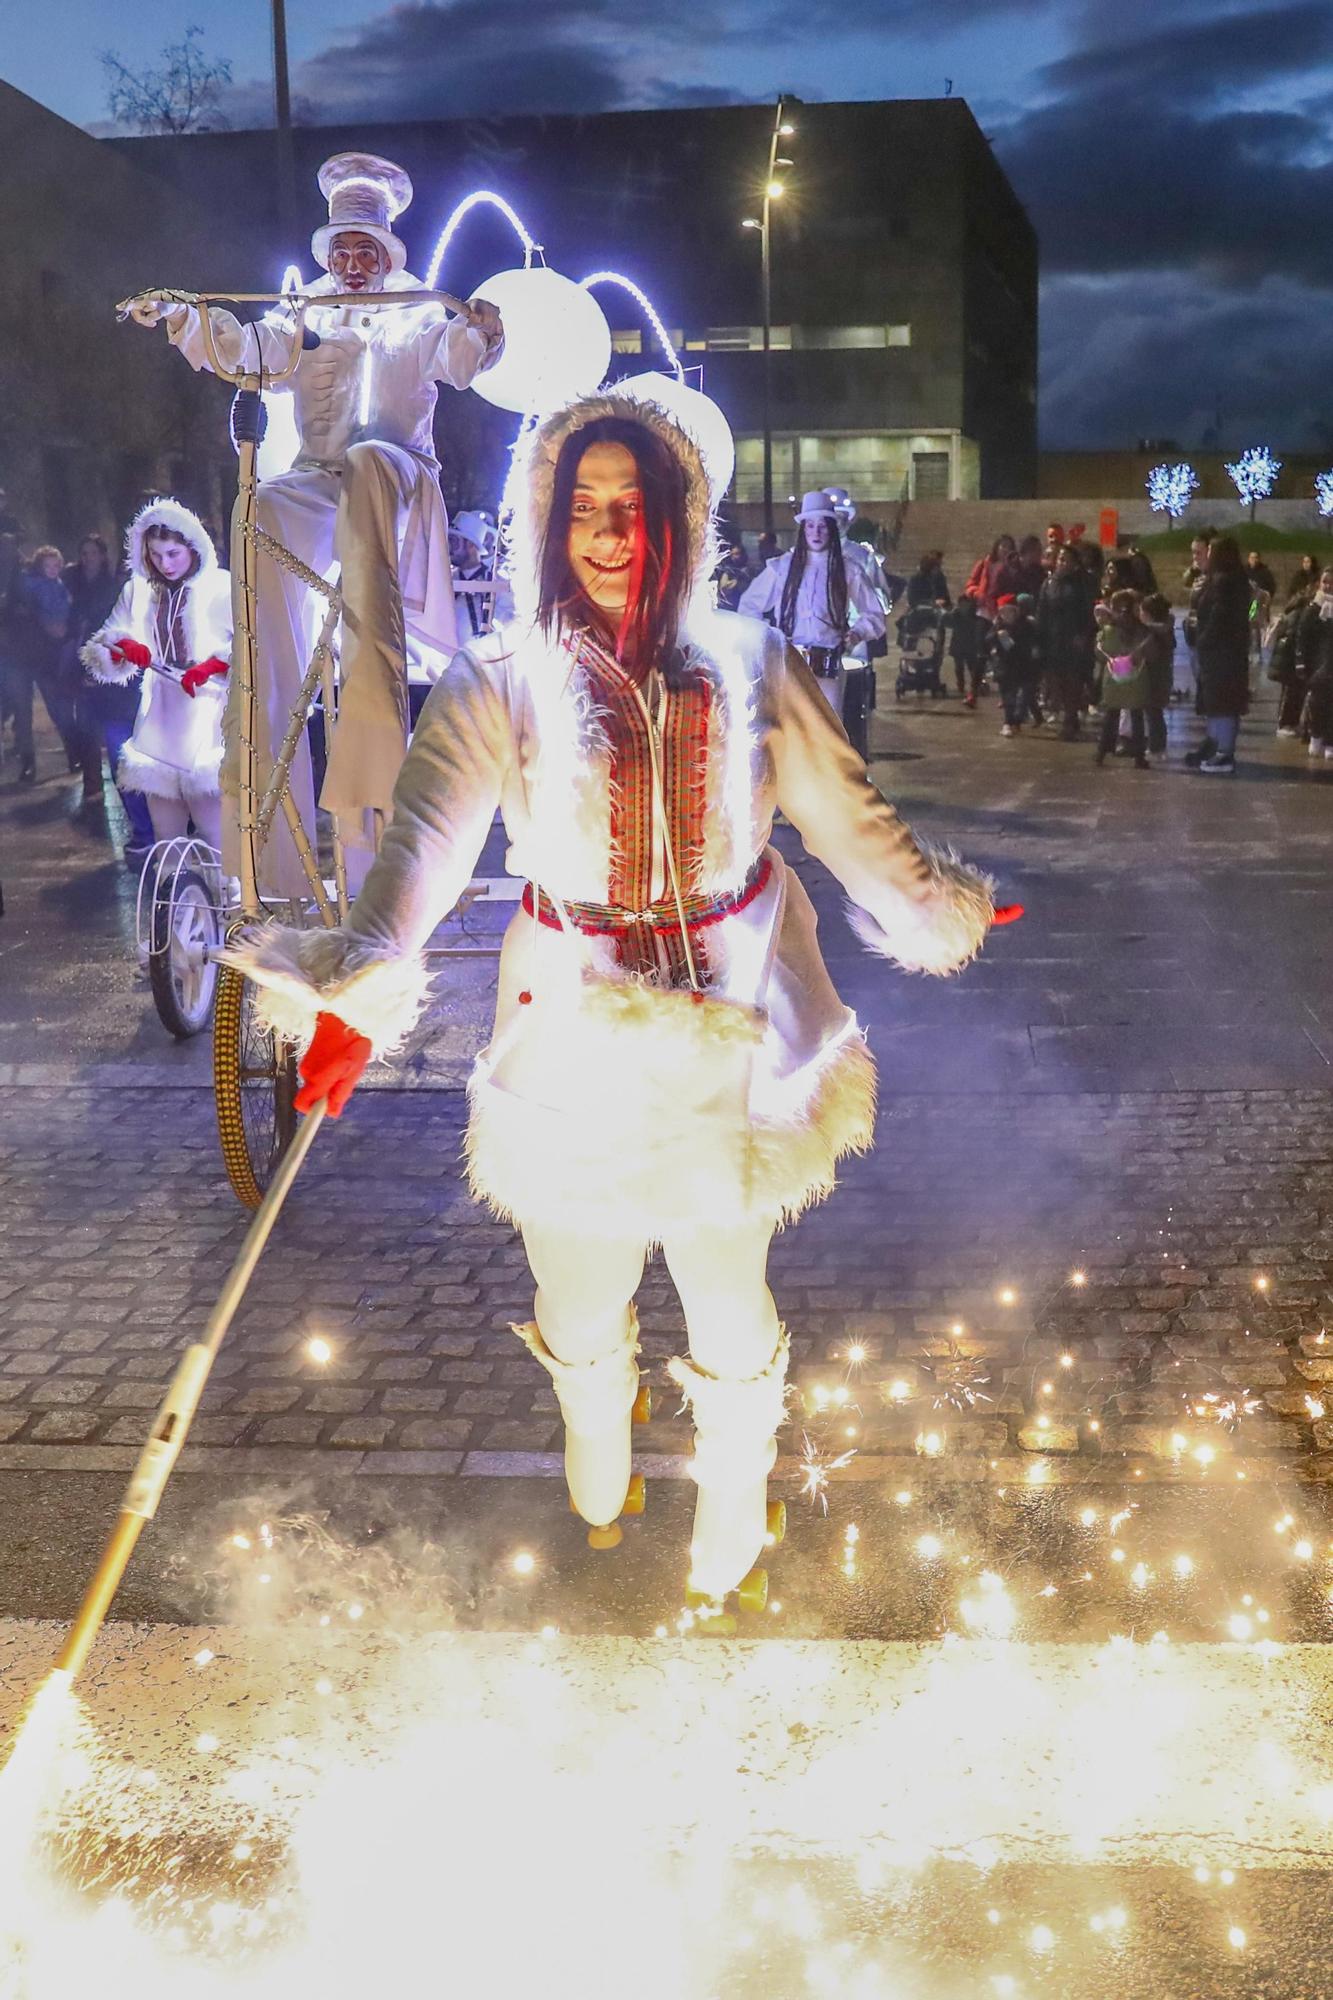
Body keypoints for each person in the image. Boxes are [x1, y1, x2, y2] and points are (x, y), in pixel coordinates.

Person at [221, 392, 1000, 1603]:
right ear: (547, 518)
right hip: (570, 1019)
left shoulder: (751, 657)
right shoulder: (500, 675)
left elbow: (846, 812)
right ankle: (598, 1415)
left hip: (730, 1017)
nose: (606, 530)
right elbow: (423, 845)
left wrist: (928, 900)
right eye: (581, 506)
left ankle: (735, 1489)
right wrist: (354, 985)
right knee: (577, 1281)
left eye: (631, 505)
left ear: (678, 516)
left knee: (725, 1281)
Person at [129, 151, 504, 894]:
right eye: (343, 250)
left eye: (366, 249)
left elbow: (460, 360)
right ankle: (273, 846)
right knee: (259, 504)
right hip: (318, 481)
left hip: (397, 475)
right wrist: (182, 315)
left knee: (367, 460)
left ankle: (377, 809)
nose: (354, 262)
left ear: (387, 252)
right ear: (329, 254)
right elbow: (246, 352)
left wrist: (483, 329)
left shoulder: (418, 309)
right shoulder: (304, 314)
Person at [81, 500, 230, 847]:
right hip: (159, 709)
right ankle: (177, 898)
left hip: (209, 710)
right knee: (165, 829)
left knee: (215, 827)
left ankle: (229, 896)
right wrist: (122, 647)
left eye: (174, 553)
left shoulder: (221, 586)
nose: (166, 563)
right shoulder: (138, 589)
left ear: (194, 547)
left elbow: (252, 643)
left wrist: (215, 665)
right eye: (157, 555)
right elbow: (105, 640)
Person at [738, 490, 886, 750]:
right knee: (790, 731)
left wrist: (855, 634)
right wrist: (767, 639)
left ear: (831, 529)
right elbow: (749, 605)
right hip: (789, 662)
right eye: (810, 526)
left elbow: (874, 614)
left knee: (826, 734)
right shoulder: (782, 567)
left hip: (828, 664)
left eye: (822, 526)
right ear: (803, 529)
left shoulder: (847, 569)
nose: (816, 533)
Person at [65, 533, 145, 826]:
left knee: (124, 747)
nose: (88, 558)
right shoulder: (75, 584)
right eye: (83, 552)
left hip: (122, 682)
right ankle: (94, 784)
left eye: (92, 552)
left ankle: (144, 825)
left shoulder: (115, 590)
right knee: (97, 734)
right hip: (93, 670)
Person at [8, 546, 74, 784]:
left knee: (54, 705)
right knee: (25, 711)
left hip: (39, 653)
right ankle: (29, 761)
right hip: (18, 655)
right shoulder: (25, 584)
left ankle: (72, 750)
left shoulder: (39, 583)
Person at [1186, 535, 1250, 774]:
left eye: (1211, 550)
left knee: (1222, 704)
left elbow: (1219, 618)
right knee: (1218, 703)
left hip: (1221, 654)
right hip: (1225, 653)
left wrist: (1203, 640)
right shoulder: (1230, 580)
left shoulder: (1225, 583)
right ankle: (1215, 746)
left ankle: (1223, 753)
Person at [1036, 543, 1096, 740]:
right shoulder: (1049, 583)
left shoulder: (1081, 584)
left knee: (1073, 680)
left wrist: (1083, 635)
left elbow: (1088, 612)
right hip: (1053, 637)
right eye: (1060, 559)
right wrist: (1039, 639)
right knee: (1056, 679)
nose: (1061, 562)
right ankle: (1068, 715)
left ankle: (1070, 719)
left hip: (1073, 637)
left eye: (1066, 559)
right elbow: (1041, 612)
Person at [1094, 588, 1151, 769]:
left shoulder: (1109, 631)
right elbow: (1151, 653)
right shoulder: (1142, 630)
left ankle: (1101, 752)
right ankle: (1139, 756)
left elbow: (1100, 653)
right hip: (1136, 679)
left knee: (1111, 716)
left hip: (1113, 680)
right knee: (1137, 717)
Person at [982, 593, 1040, 737]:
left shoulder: (1026, 625)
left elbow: (1033, 641)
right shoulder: (998, 626)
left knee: (1024, 696)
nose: (1007, 614)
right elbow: (987, 640)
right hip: (1004, 666)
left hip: (1023, 665)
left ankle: (1018, 720)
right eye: (1003, 611)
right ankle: (1008, 723)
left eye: (1010, 611)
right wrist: (997, 637)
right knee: (1008, 697)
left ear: (1016, 611)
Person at [1296, 565, 1333, 760]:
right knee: (1317, 704)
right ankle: (1315, 735)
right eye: (1324, 582)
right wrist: (1300, 661)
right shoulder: (1312, 607)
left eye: (1331, 583)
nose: (1327, 586)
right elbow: (1302, 634)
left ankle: (1330, 740)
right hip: (1316, 666)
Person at [1137, 591, 1175, 757]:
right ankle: (1158, 744)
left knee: (1153, 713)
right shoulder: (1165, 630)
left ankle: (1155, 746)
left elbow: (1146, 654)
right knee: (1155, 713)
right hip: (1163, 676)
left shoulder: (1151, 633)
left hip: (1153, 677)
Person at [964, 535, 1019, 623]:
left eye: (1009, 547)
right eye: (1003, 546)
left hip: (1002, 610)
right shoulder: (984, 564)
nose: (1006, 550)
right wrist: (977, 594)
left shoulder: (1013, 569)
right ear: (996, 547)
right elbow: (969, 586)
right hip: (983, 608)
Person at [947, 592, 984, 706]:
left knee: (972, 667)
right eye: (962, 604)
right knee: (959, 667)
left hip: (970, 645)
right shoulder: (955, 614)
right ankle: (961, 685)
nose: (964, 606)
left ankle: (974, 688)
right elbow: (948, 622)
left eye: (966, 604)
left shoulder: (974, 615)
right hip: (958, 645)